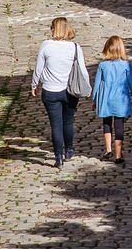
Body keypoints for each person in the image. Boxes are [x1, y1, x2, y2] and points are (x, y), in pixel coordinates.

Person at [31, 17, 90, 168]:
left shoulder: (46, 45)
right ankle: (69, 150)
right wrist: (88, 87)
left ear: (54, 29)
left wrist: (34, 84)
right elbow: (82, 70)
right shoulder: (75, 47)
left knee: (55, 125)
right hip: (70, 91)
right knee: (68, 121)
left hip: (50, 91)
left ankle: (58, 158)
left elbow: (39, 68)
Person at [91, 35, 132, 165]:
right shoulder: (126, 65)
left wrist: (94, 99)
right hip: (120, 100)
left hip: (105, 100)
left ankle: (108, 150)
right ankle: (118, 155)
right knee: (119, 125)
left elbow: (96, 85)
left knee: (106, 123)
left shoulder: (102, 65)